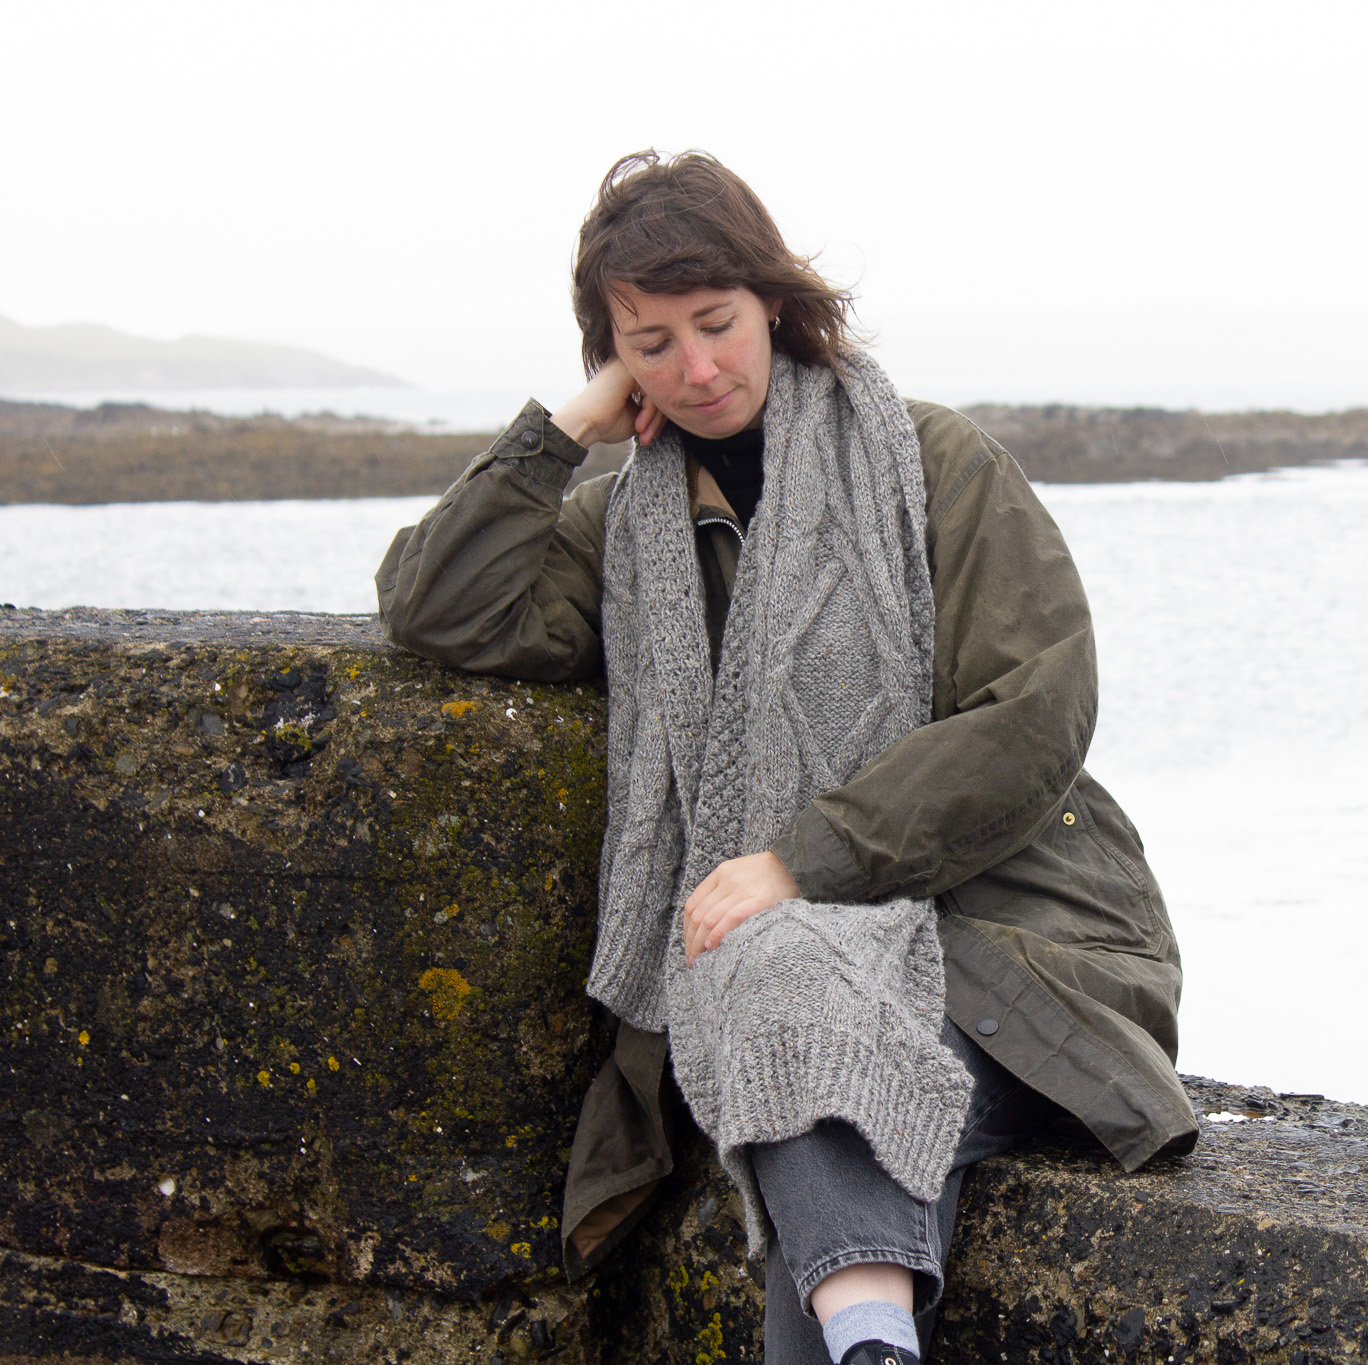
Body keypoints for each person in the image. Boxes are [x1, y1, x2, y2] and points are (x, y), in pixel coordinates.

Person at [376, 149, 1195, 1365]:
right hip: (767, 973)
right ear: (611, 352)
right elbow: (440, 608)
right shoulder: (624, 528)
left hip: (1022, 952)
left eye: (716, 323)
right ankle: (873, 1345)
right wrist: (571, 427)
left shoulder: (939, 465)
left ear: (775, 303)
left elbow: (1033, 710)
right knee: (793, 1026)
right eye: (649, 343)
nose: (695, 368)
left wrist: (803, 862)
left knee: (791, 1018)